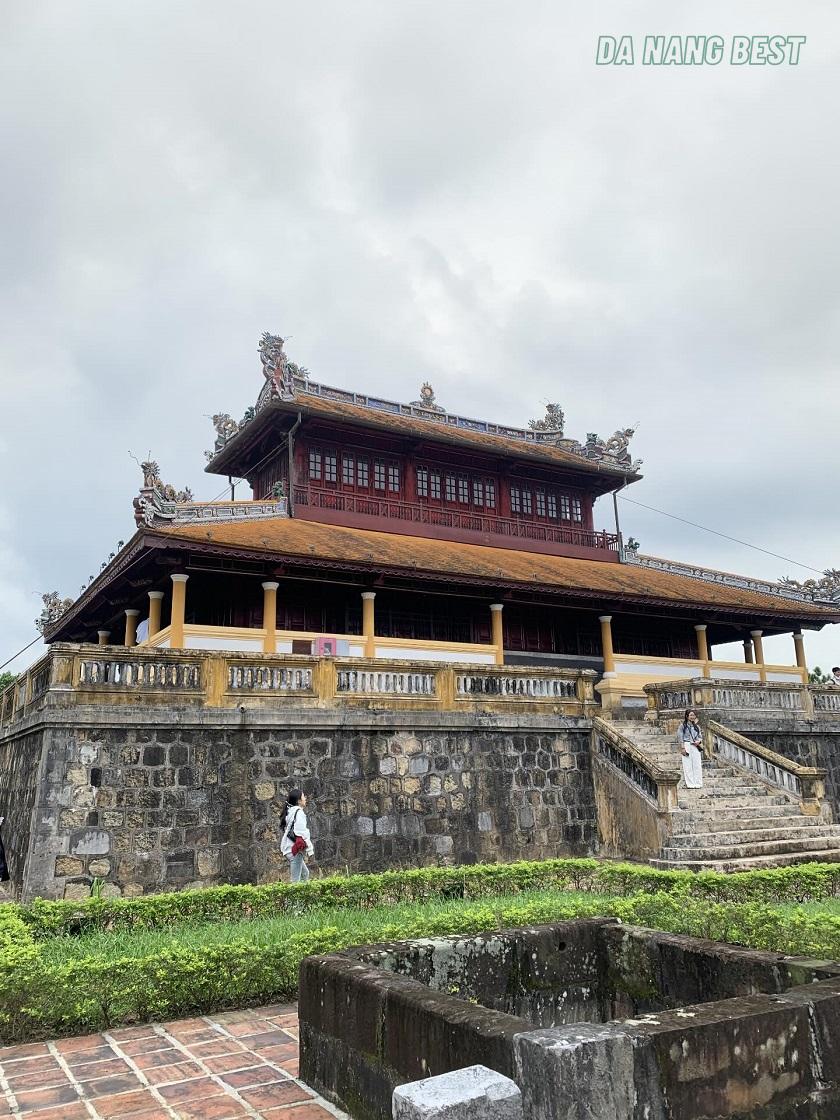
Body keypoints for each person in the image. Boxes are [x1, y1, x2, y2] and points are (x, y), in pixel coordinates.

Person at [281, 788, 314, 882]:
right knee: (296, 881)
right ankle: (299, 892)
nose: (305, 798)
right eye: (303, 797)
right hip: (295, 849)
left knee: (305, 874)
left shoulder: (291, 811)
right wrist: (310, 849)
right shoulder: (299, 812)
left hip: (289, 848)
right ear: (299, 801)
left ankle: (304, 891)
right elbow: (301, 831)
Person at [676, 709, 703, 789]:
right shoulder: (682, 726)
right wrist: (682, 748)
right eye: (691, 715)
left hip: (695, 746)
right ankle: (690, 783)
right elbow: (680, 737)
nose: (692, 717)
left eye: (693, 715)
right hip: (686, 744)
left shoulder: (697, 727)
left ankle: (698, 783)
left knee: (697, 765)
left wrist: (698, 742)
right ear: (687, 716)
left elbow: (700, 737)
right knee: (687, 765)